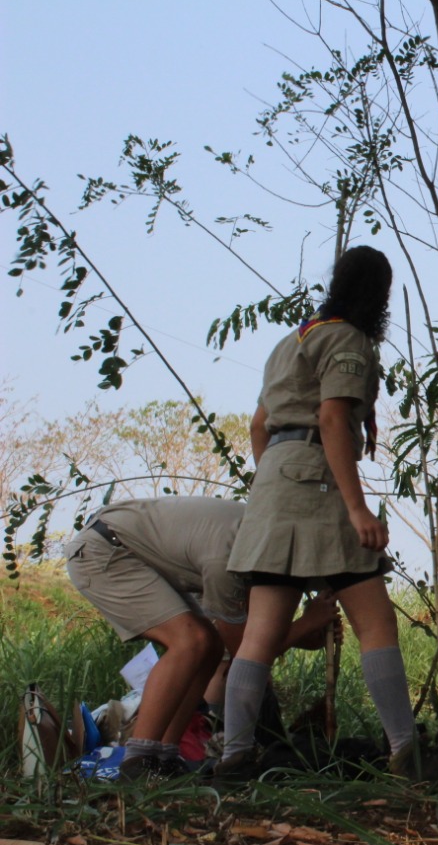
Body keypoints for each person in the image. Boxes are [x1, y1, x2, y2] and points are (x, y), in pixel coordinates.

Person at [217, 245, 419, 780]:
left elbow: (258, 426)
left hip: (273, 483)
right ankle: (405, 754)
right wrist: (357, 508)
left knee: (261, 632)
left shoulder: (293, 340)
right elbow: (332, 419)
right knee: (376, 622)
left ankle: (234, 756)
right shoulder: (346, 339)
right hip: (320, 482)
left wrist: (275, 480)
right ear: (379, 295)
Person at [63, 496, 337, 780]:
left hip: (134, 555)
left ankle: (164, 755)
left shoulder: (264, 541)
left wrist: (305, 634)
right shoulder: (231, 558)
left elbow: (253, 635)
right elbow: (244, 652)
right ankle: (138, 760)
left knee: (210, 646)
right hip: (105, 551)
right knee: (190, 641)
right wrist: (306, 624)